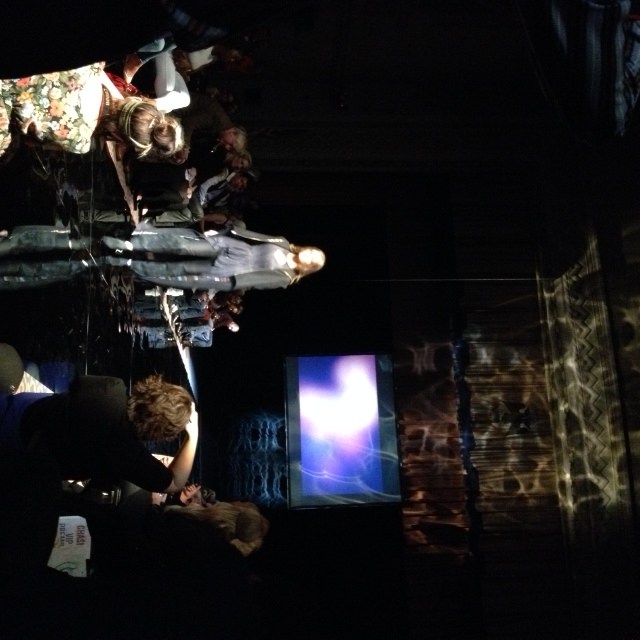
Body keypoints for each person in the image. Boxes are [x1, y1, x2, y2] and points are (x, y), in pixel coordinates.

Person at [1, 351, 198, 494]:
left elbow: (77, 385)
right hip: (22, 447)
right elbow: (174, 484)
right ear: (163, 432)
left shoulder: (112, 387)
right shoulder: (127, 453)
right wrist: (193, 436)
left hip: (22, 408)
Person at [0, 63, 185, 162]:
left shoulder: (91, 67)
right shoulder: (80, 141)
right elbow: (31, 142)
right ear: (122, 139)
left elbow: (102, 78)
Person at [102, 225, 326, 291]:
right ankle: (131, 245)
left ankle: (129, 262)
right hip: (234, 247)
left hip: (231, 270)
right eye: (312, 250)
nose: (309, 254)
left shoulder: (285, 278)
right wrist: (226, 232)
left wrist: (228, 284)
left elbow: (256, 282)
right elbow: (254, 237)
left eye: (313, 259)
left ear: (310, 267)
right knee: (183, 246)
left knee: (179, 269)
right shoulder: (284, 242)